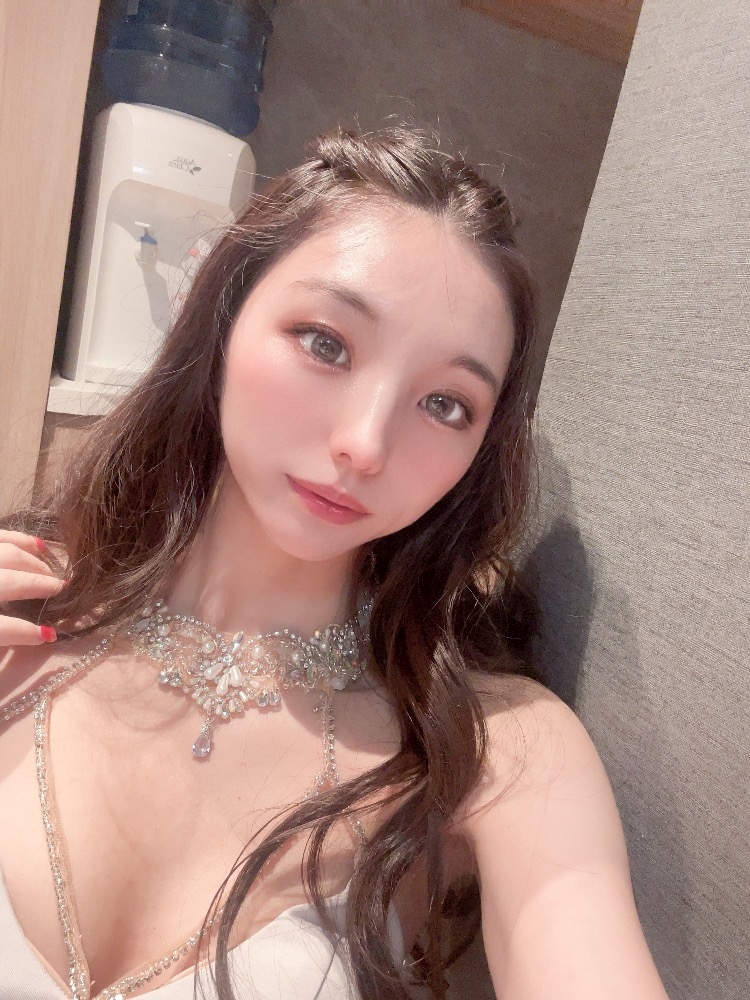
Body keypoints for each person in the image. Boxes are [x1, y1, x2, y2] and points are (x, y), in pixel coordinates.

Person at [0, 127, 669, 1000]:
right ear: (222, 314)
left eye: (445, 403)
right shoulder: (22, 608)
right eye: (325, 343)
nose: (365, 444)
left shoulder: (496, 750)